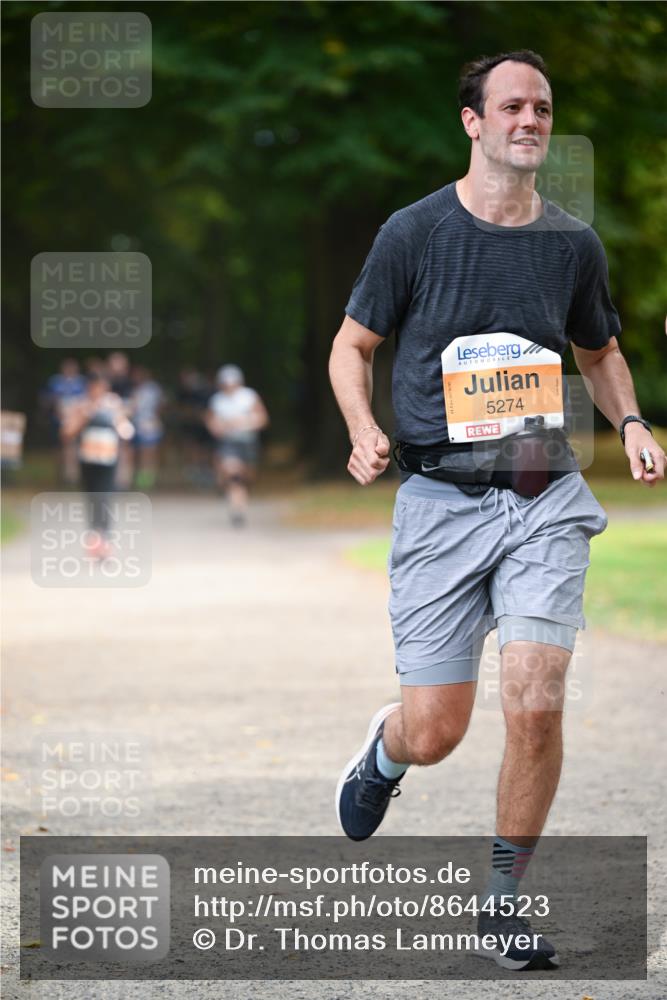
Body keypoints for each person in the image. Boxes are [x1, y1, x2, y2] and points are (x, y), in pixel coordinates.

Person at [329, 50, 664, 972]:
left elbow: (596, 352)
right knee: (437, 730)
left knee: (535, 702)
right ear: (472, 122)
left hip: (541, 494)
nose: (529, 119)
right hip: (439, 501)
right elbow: (351, 347)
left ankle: (501, 904)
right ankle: (387, 753)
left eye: (542, 108)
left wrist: (631, 421)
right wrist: (362, 428)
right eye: (511, 105)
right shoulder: (414, 232)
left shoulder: (571, 244)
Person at [60, 373, 134, 558]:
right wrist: (85, 415)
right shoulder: (81, 405)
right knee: (92, 498)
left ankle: (105, 539)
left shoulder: (113, 404)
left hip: (108, 461)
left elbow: (126, 430)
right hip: (88, 460)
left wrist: (118, 422)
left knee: (105, 498)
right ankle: (95, 536)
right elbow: (67, 432)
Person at [205, 365, 269, 526]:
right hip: (228, 442)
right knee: (234, 474)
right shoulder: (217, 400)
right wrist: (217, 427)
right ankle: (237, 510)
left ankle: (239, 497)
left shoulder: (249, 396)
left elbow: (263, 419)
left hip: (248, 441)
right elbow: (210, 420)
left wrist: (245, 422)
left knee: (247, 476)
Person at [41, 358, 86, 484]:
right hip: (58, 420)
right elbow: (48, 399)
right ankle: (59, 474)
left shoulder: (81, 382)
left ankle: (72, 476)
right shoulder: (55, 381)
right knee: (58, 448)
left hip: (76, 420)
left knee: (74, 447)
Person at [129, 366, 165, 490]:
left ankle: (148, 479)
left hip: (150, 424)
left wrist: (155, 418)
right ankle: (137, 477)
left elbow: (161, 405)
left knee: (149, 452)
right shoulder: (133, 389)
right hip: (136, 425)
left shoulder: (153, 389)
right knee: (135, 453)